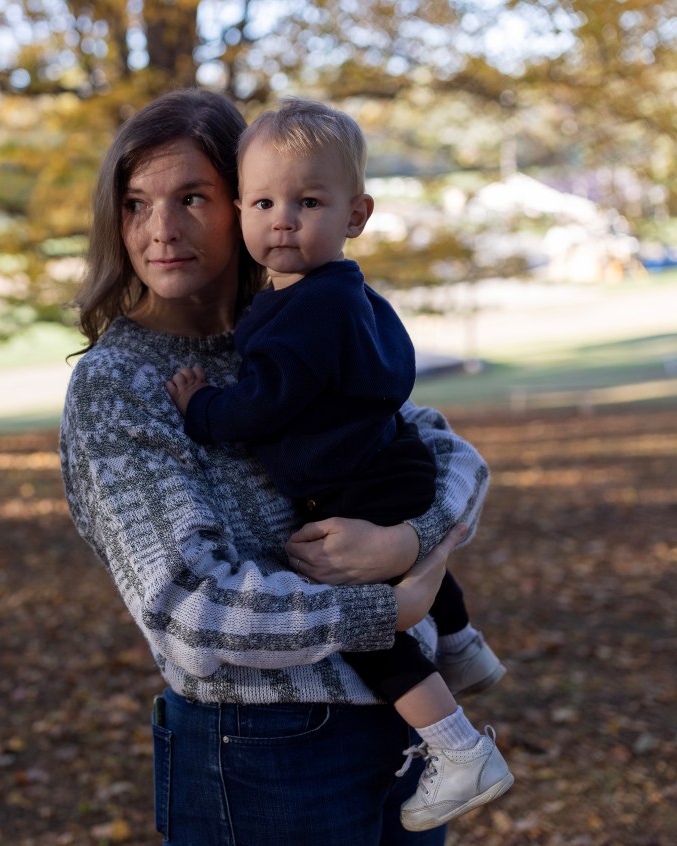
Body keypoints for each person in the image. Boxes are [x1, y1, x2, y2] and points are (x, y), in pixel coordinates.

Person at [59, 88, 505, 845]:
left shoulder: (295, 321)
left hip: (401, 738)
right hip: (264, 752)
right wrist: (386, 609)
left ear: (239, 202)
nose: (160, 230)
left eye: (191, 198)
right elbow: (191, 613)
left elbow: (447, 453)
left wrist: (407, 542)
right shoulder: (120, 385)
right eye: (136, 205)